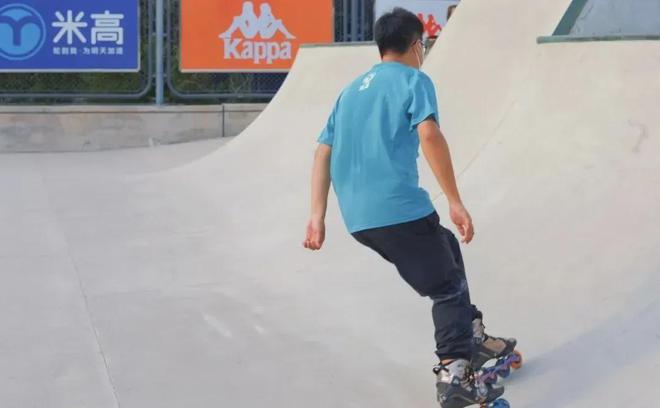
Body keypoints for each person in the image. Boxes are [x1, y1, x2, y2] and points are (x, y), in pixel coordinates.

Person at [303, 7, 517, 408]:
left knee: (445, 247)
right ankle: (455, 374)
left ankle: (469, 334)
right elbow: (430, 134)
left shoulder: (349, 91)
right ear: (416, 45)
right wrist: (454, 199)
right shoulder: (414, 80)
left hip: (359, 219)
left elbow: (322, 152)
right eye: (425, 45)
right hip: (398, 210)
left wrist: (317, 215)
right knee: (446, 287)